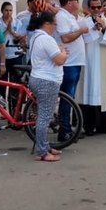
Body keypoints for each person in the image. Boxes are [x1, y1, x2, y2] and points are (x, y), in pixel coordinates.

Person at [26, 9, 68, 162]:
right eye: (54, 24)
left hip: (40, 78)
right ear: (47, 24)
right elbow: (59, 59)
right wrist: (63, 52)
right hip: (47, 80)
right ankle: (42, 151)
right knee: (44, 117)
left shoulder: (36, 37)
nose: (55, 27)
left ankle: (44, 146)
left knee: (44, 114)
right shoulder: (46, 39)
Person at [77, 0, 106, 135]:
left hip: (105, 61)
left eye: (99, 7)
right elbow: (80, 39)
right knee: (88, 88)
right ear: (88, 8)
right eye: (93, 7)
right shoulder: (83, 23)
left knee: (105, 90)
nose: (96, 10)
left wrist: (103, 29)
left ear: (102, 7)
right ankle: (89, 126)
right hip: (89, 61)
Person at [53, 0, 87, 140]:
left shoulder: (69, 16)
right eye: (76, 0)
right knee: (67, 97)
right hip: (69, 63)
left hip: (74, 61)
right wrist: (81, 30)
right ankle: (64, 130)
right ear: (69, 2)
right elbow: (65, 38)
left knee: (70, 96)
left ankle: (67, 127)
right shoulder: (61, 17)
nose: (78, 3)